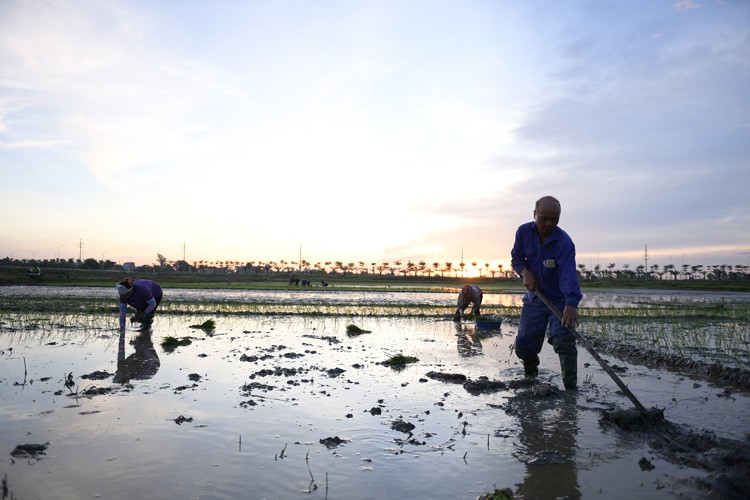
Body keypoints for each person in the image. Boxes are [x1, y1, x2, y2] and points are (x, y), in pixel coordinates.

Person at [511, 196, 582, 390]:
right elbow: (516, 257)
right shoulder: (524, 232)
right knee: (525, 345)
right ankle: (530, 376)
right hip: (535, 298)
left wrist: (571, 304)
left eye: (555, 219)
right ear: (534, 215)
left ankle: (570, 389)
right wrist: (525, 272)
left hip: (559, 300)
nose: (549, 223)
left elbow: (568, 274)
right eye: (544, 218)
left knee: (564, 340)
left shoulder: (564, 242)